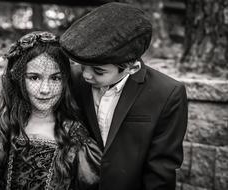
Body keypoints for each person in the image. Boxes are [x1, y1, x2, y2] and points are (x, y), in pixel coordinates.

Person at [59, 2, 188, 190]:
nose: (86, 75)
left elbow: (162, 168)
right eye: (82, 65)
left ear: (131, 67)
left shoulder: (167, 94)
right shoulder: (74, 79)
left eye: (98, 71)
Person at [0, 31, 101, 190]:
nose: (45, 89)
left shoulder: (76, 139)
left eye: (55, 78)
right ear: (18, 79)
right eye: (34, 77)